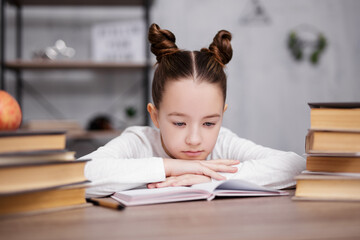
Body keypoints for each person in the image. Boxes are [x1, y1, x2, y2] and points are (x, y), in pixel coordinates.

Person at [81, 23, 305, 198]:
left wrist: (210, 179)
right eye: (179, 123)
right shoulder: (139, 142)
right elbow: (81, 174)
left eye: (209, 123)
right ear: (155, 116)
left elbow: (297, 166)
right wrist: (172, 167)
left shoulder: (224, 143)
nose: (195, 139)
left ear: (222, 114)